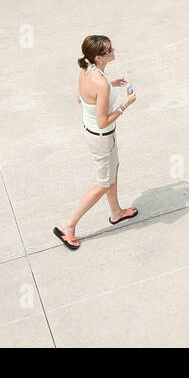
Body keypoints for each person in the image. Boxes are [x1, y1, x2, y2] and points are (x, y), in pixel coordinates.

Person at [54, 35, 139, 250]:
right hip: (102, 137)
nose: (113, 51)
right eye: (108, 50)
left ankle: (116, 212)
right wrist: (125, 104)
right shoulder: (100, 82)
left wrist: (109, 86)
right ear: (97, 57)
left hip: (93, 134)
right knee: (103, 183)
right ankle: (68, 225)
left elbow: (80, 98)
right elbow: (103, 122)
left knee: (113, 170)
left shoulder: (87, 70)